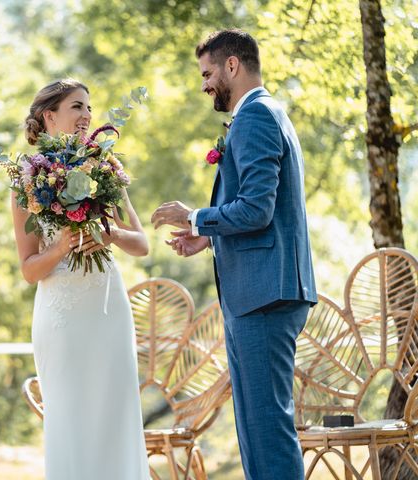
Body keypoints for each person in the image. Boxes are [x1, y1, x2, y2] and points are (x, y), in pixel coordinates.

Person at [151, 29, 317, 480]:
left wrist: (196, 218)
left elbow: (257, 209)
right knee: (256, 428)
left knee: (266, 429)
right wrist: (209, 238)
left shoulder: (256, 117)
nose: (204, 84)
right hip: (261, 290)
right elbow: (265, 209)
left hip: (264, 294)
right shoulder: (267, 113)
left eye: (207, 73)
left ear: (231, 66)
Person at [12, 78, 150, 479]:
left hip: (108, 310)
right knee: (71, 421)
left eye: (89, 108)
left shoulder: (105, 166)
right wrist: (59, 247)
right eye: (77, 107)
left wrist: (109, 235)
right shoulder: (27, 179)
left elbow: (141, 244)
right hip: (62, 318)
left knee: (116, 416)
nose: (87, 115)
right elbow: (28, 269)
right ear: (49, 116)